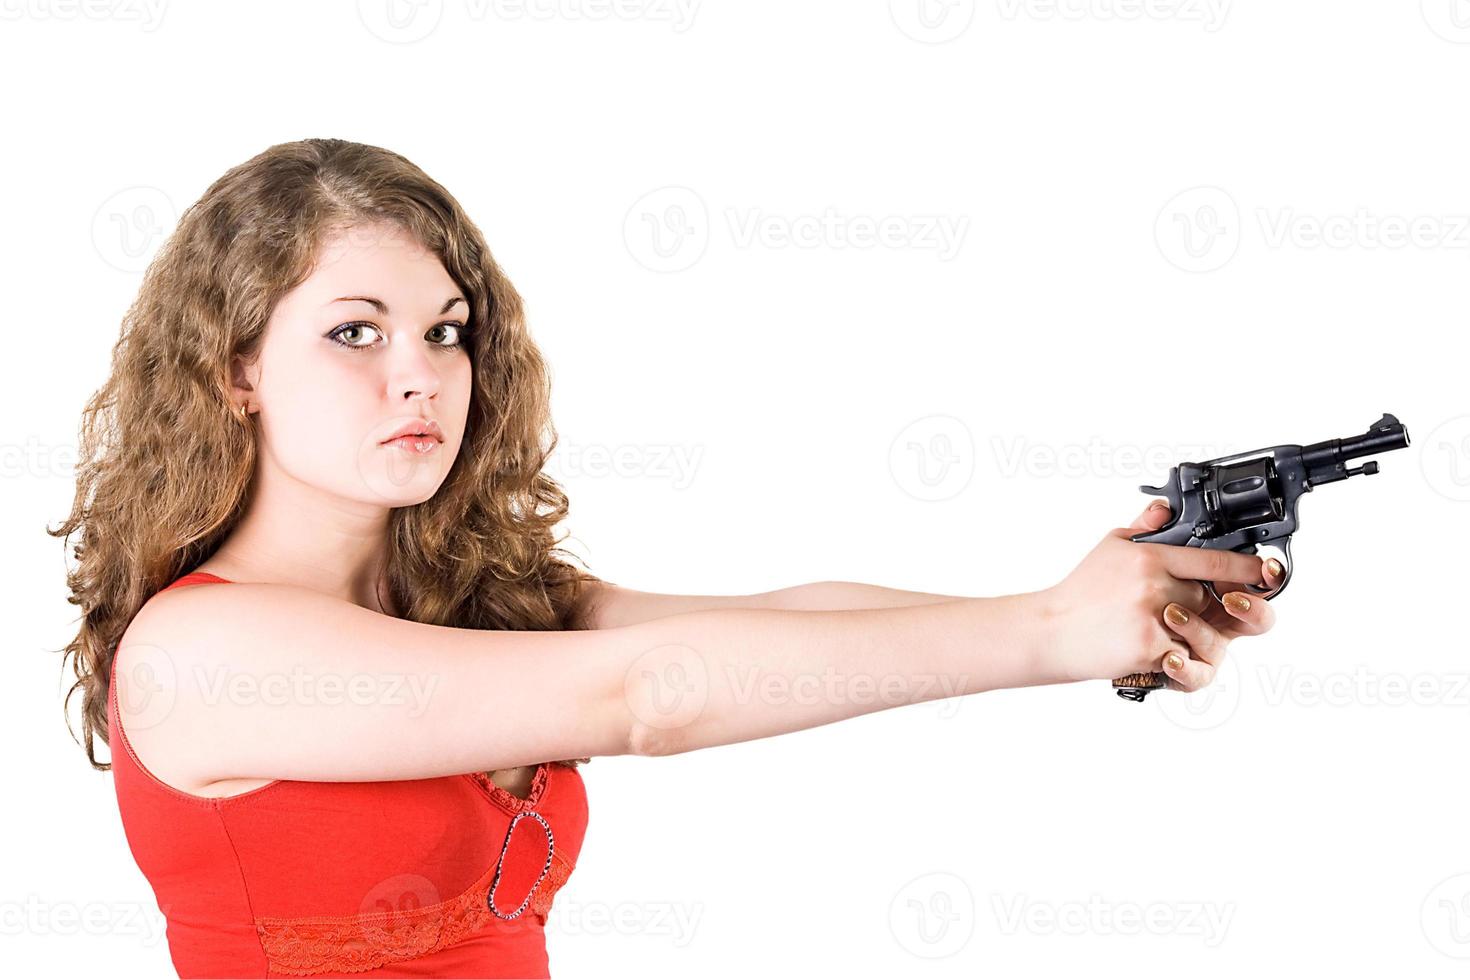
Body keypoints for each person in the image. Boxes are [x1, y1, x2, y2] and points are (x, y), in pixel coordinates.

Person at [50, 138, 1282, 978]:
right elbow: (647, 692)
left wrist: (1072, 606)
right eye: (354, 332)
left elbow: (778, 615)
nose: (418, 370)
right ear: (236, 370)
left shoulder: (472, 608)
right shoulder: (199, 654)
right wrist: (1050, 630)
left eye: (444, 329)